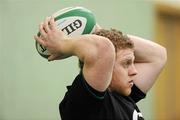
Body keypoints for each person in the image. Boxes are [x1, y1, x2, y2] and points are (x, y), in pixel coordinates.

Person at [34, 17, 167, 120]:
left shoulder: (123, 96)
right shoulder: (88, 103)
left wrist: (98, 32)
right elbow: (103, 49)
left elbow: (158, 55)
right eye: (126, 63)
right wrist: (62, 44)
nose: (134, 71)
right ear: (107, 65)